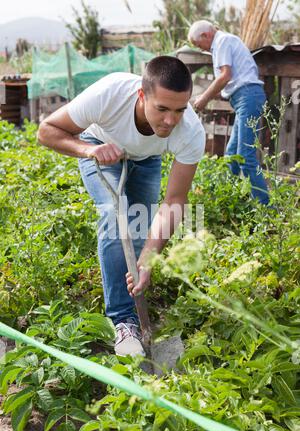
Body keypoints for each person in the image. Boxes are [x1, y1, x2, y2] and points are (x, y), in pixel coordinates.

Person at [38, 56, 205, 357]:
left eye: (180, 109)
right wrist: (90, 150)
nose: (170, 120)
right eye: (162, 109)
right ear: (142, 96)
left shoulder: (191, 130)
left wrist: (148, 261)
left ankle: (135, 291)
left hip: (147, 159)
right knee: (117, 219)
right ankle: (124, 321)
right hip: (99, 147)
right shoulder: (110, 93)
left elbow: (175, 201)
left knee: (140, 231)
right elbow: (47, 131)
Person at [188, 20, 270, 205]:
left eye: (197, 44)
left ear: (205, 35)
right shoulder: (220, 45)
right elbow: (224, 82)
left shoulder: (222, 41)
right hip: (244, 99)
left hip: (248, 97)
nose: (200, 49)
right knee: (232, 155)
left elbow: (226, 76)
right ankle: (230, 201)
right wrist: (201, 97)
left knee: (245, 158)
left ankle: (267, 209)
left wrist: (204, 99)